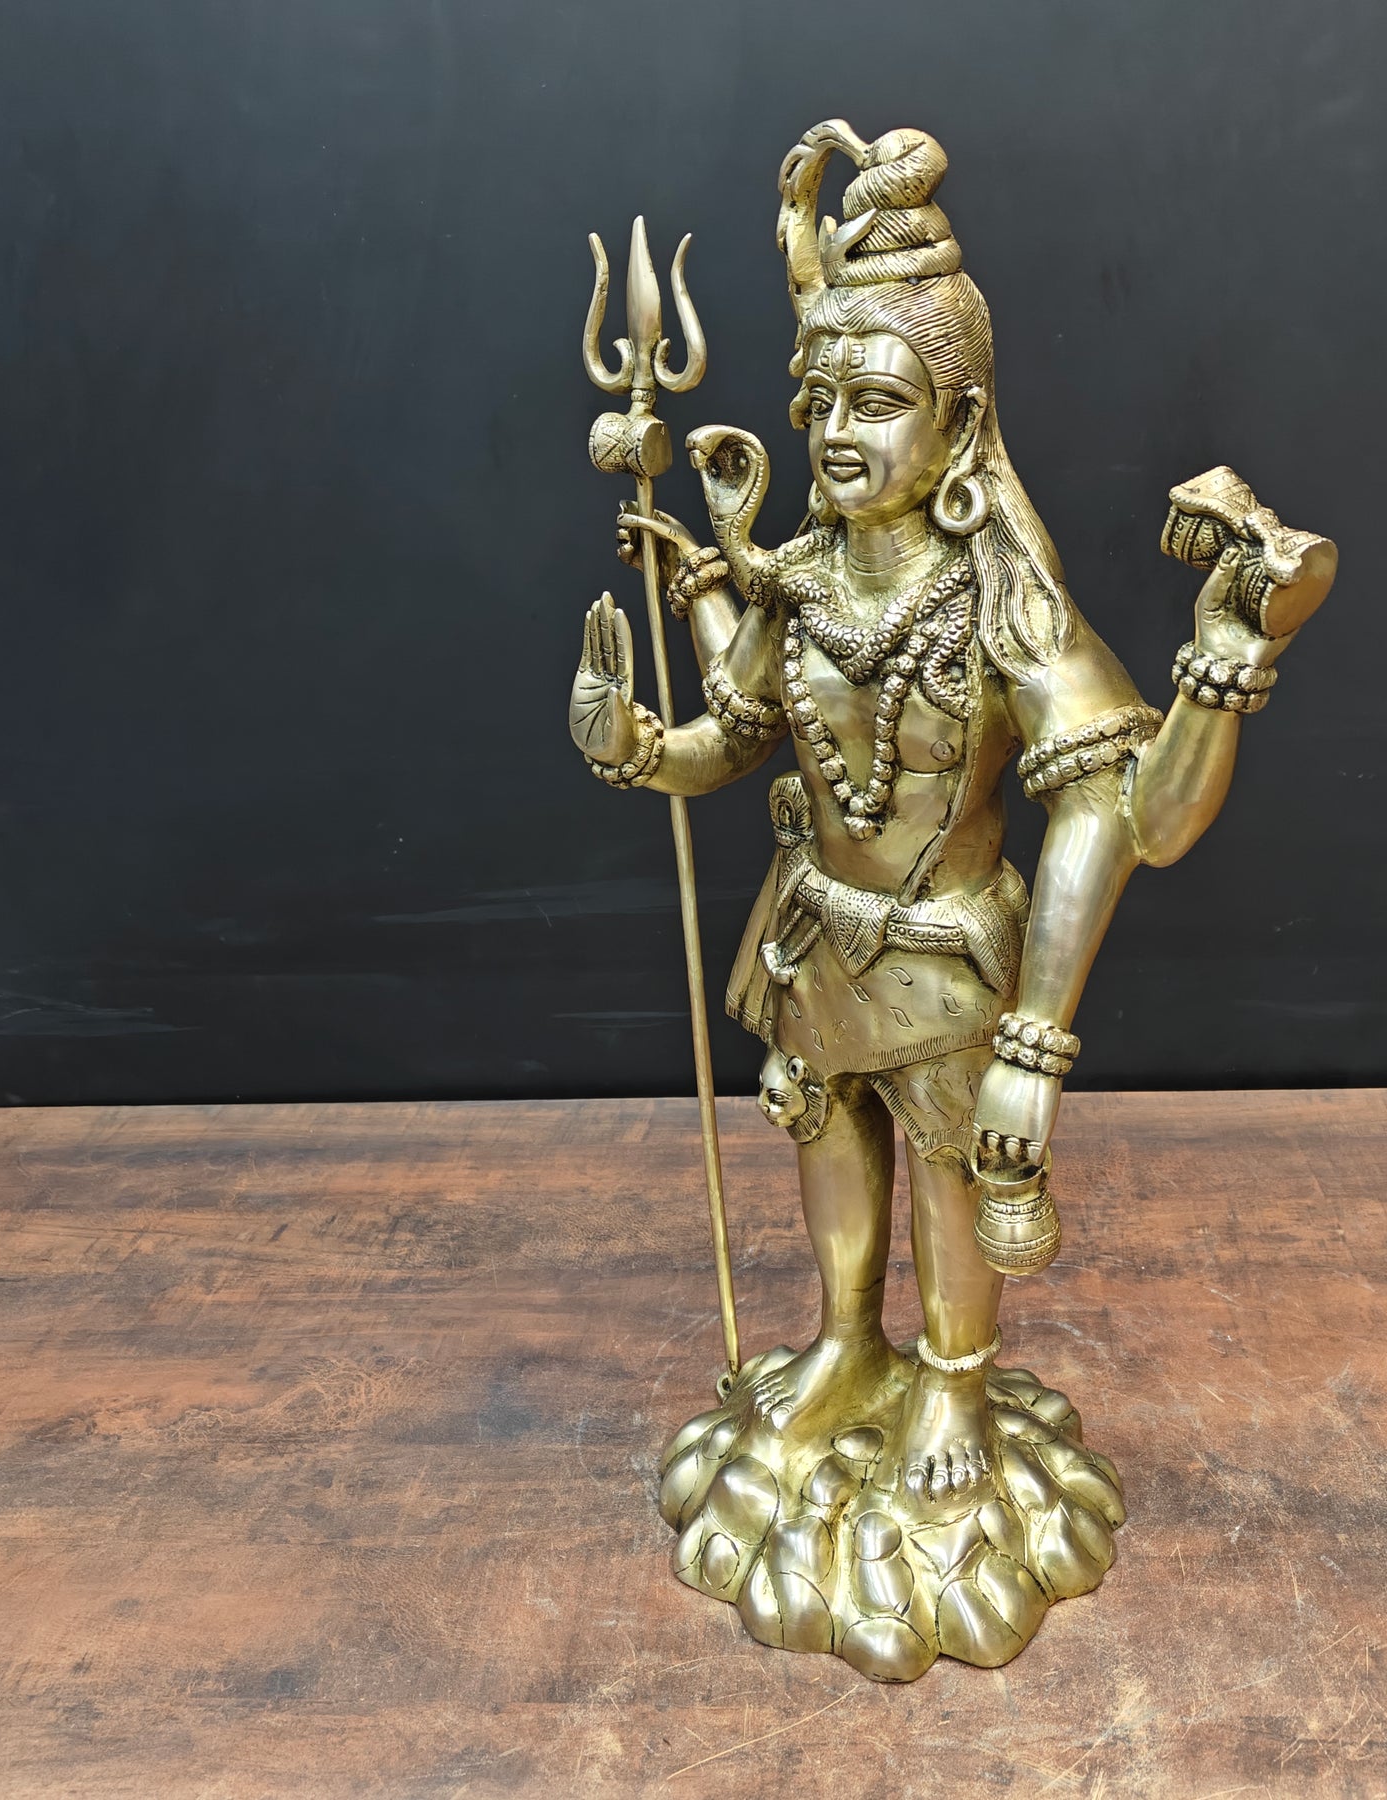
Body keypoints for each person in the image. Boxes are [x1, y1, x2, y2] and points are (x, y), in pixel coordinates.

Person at [569, 120, 1330, 1680]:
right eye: (822, 403)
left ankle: (956, 1377)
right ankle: (847, 1340)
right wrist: (643, 750)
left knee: (939, 1160)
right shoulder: (800, 581)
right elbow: (739, 735)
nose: (839, 434)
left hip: (944, 958)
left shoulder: (997, 604)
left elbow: (1125, 813)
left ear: (960, 418)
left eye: (879, 401)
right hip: (811, 934)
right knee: (825, 1133)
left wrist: (1038, 1046)